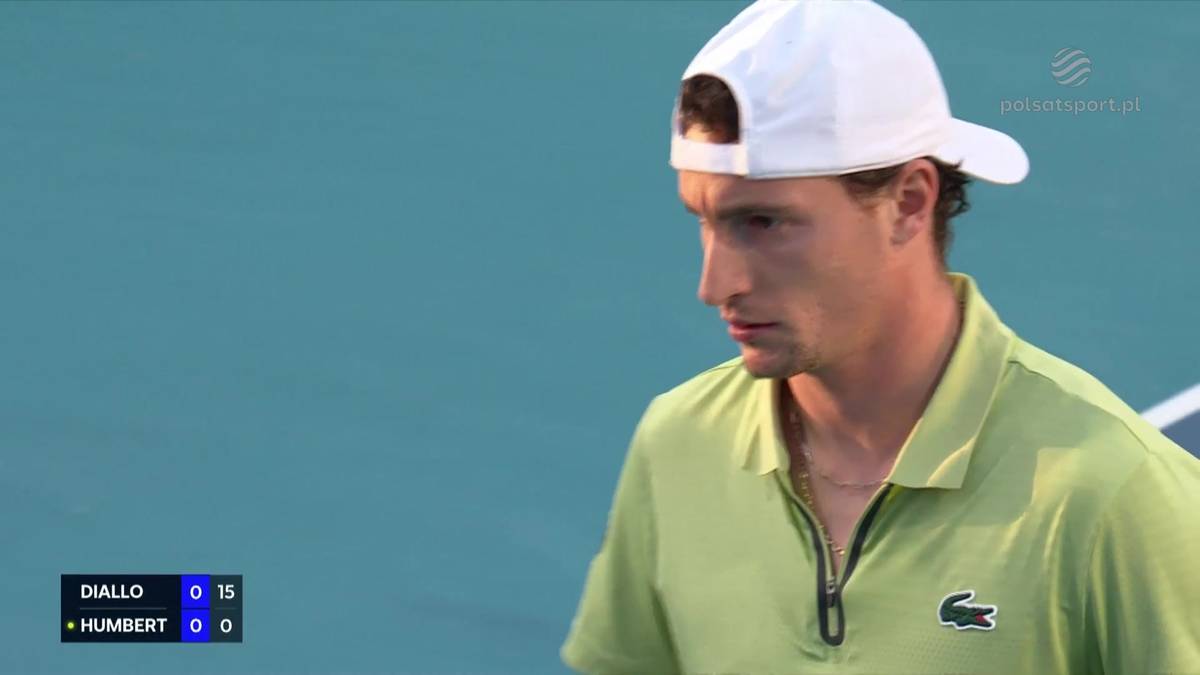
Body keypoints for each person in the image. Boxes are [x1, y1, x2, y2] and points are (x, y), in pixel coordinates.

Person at [559, 1, 1200, 673]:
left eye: (763, 223)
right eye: (705, 220)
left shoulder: (1115, 494)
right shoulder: (676, 447)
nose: (715, 284)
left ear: (909, 202)